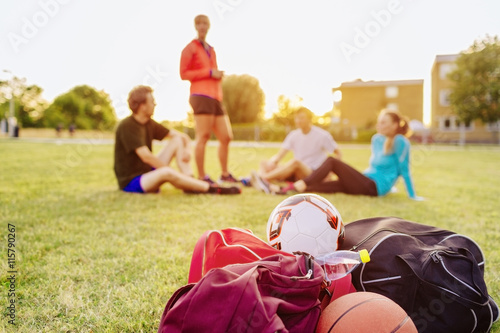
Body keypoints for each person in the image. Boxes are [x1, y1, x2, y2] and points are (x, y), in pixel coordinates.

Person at [113, 85, 241, 195]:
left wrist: (187, 150)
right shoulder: (127, 126)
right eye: (152, 101)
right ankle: (212, 189)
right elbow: (146, 157)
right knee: (166, 172)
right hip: (132, 182)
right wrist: (173, 173)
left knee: (176, 141)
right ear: (142, 106)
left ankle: (189, 181)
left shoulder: (149, 123)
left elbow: (181, 137)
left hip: (147, 172)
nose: (155, 104)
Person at [273, 109, 424, 200]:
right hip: (365, 180)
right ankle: (288, 190)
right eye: (379, 122)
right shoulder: (377, 139)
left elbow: (404, 170)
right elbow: (375, 167)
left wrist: (412, 195)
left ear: (395, 125)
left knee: (332, 161)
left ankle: (301, 183)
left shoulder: (401, 141)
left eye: (383, 122)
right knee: (325, 186)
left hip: (375, 187)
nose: (379, 125)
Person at [180, 14, 237, 184]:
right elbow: (183, 74)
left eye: (205, 23)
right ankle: (202, 176)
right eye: (199, 23)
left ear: (209, 26)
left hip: (215, 97)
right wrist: (209, 73)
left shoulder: (211, 49)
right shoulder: (190, 48)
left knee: (226, 137)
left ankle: (225, 174)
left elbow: (212, 71)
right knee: (203, 136)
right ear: (196, 26)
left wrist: (217, 75)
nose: (202, 26)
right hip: (200, 96)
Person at [251, 107, 341, 193]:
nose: (298, 121)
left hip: (313, 172)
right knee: (264, 163)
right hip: (295, 172)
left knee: (296, 162)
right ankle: (259, 180)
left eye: (301, 118)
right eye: (296, 118)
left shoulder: (322, 135)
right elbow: (280, 155)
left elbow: (338, 153)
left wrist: (329, 172)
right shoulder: (293, 135)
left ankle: (263, 178)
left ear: (310, 119)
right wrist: (272, 164)